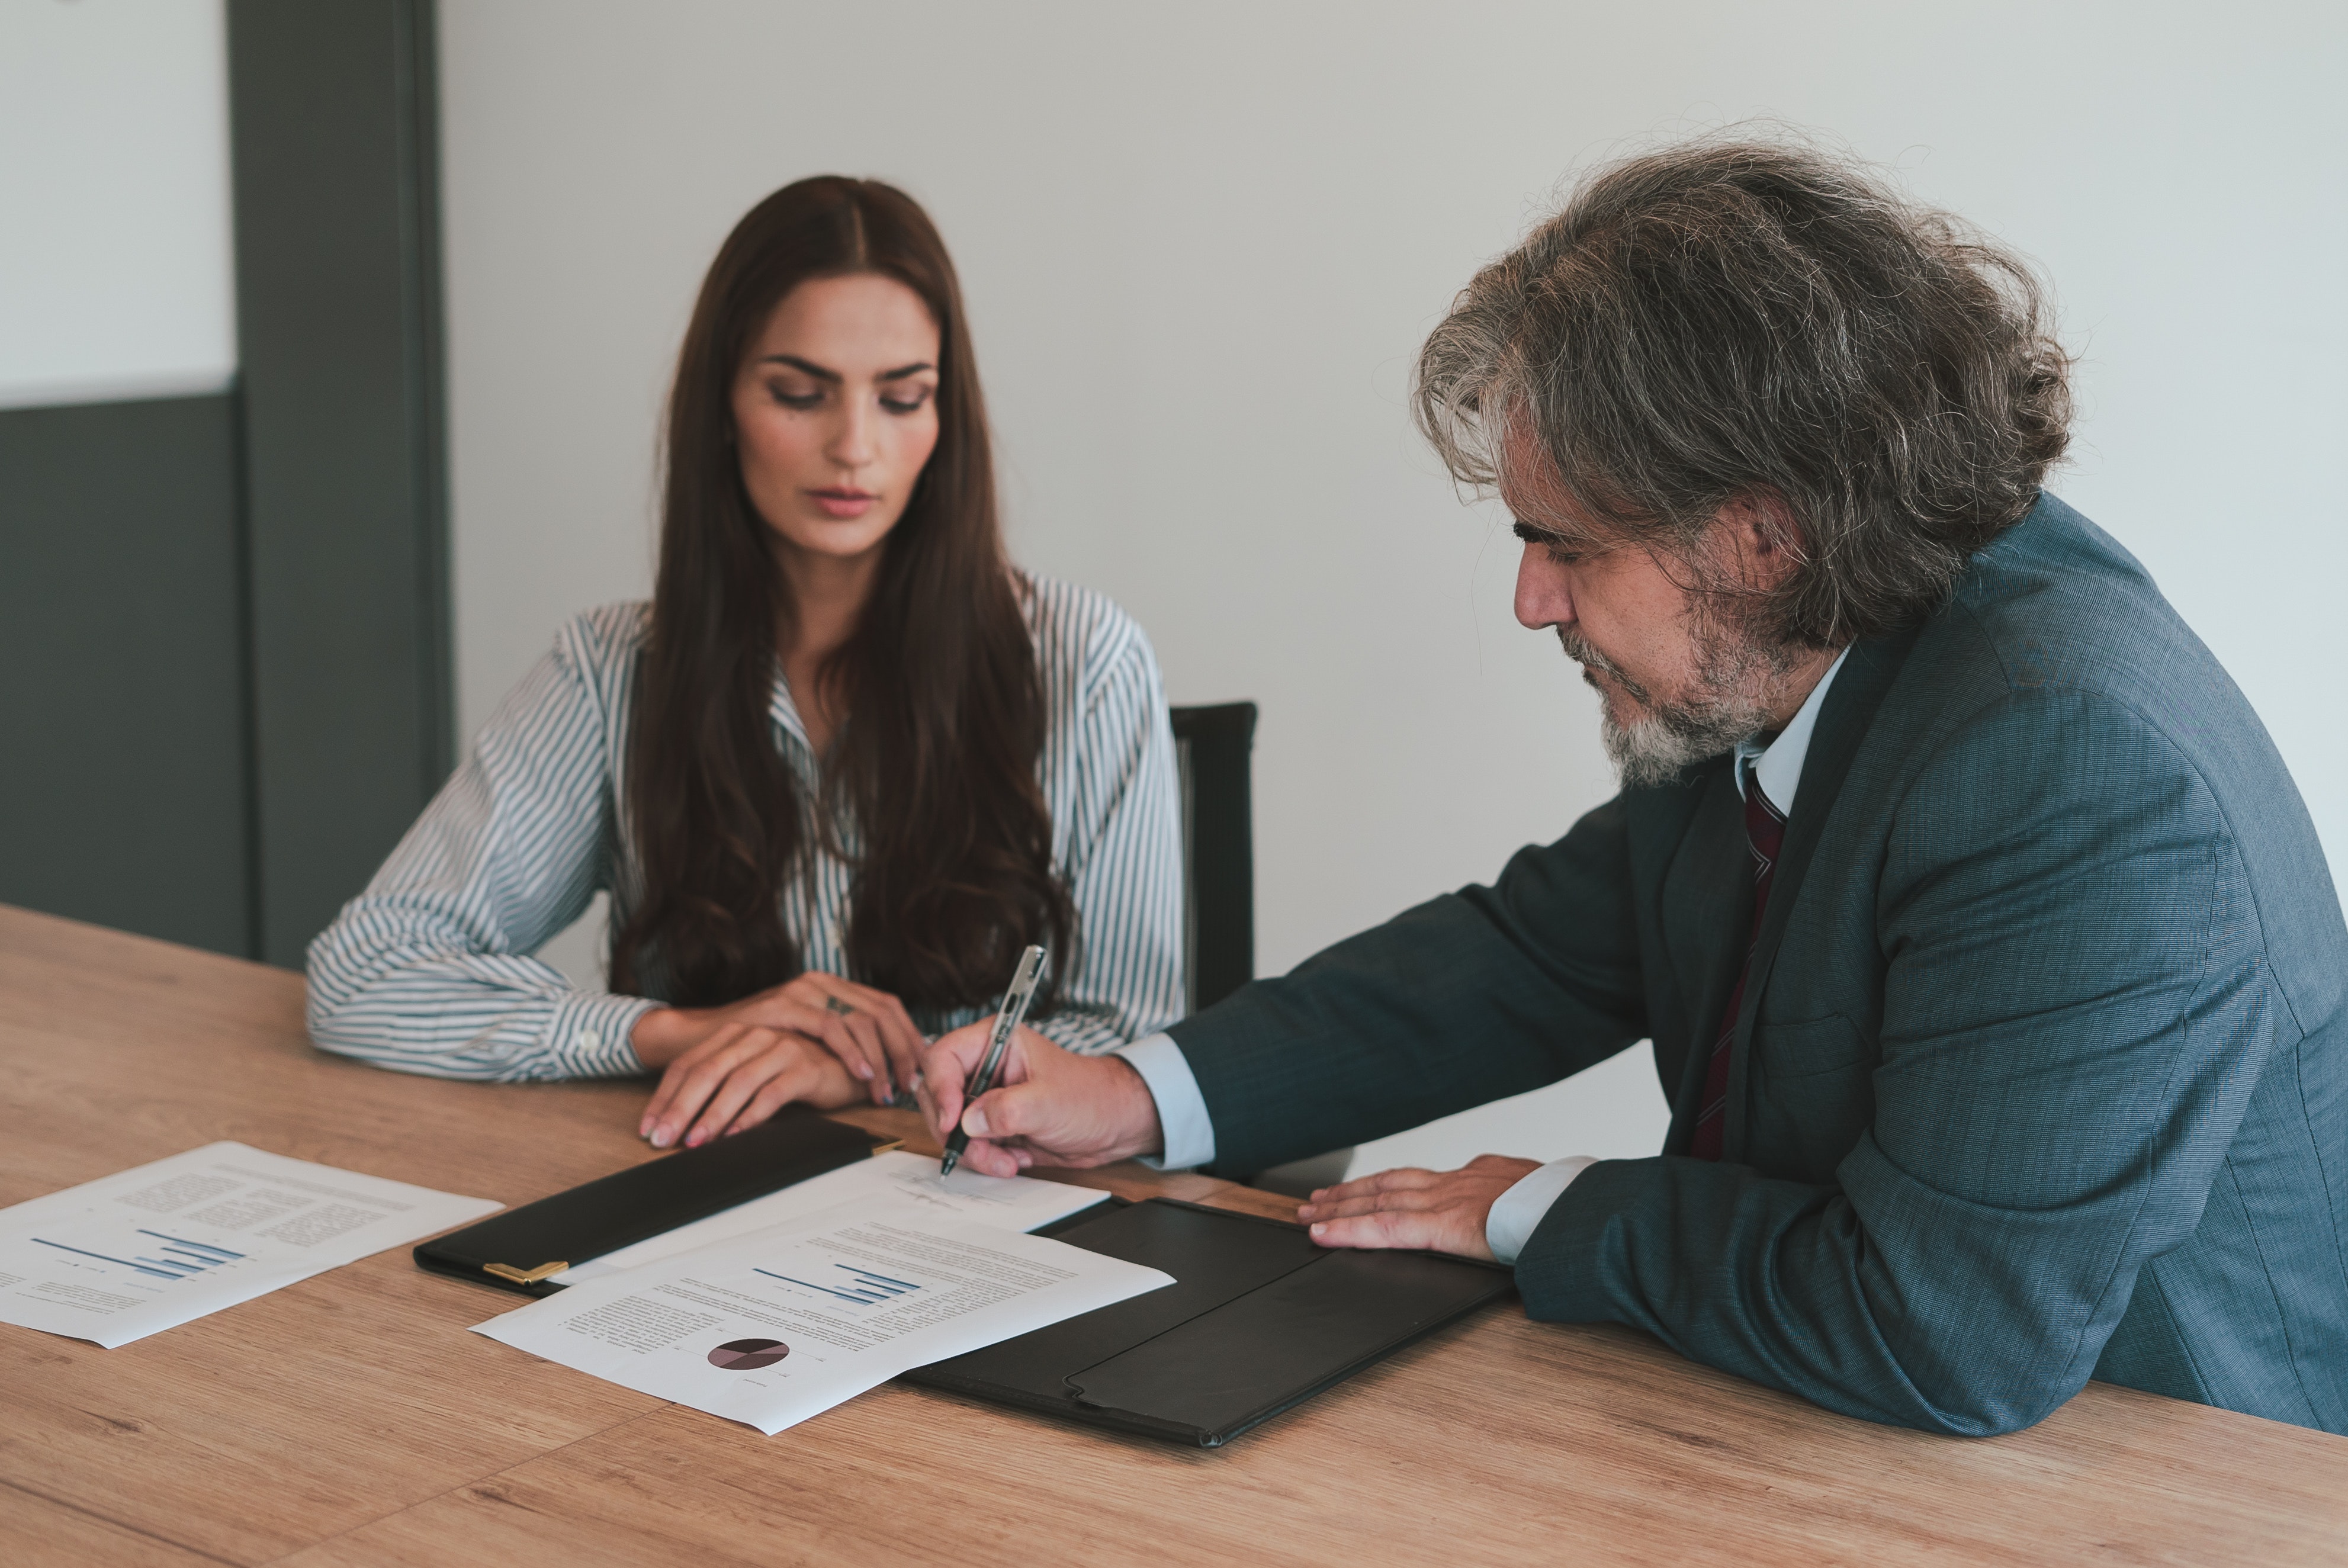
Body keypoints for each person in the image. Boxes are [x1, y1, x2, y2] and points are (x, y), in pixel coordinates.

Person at [914, 139, 2348, 1438]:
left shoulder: (2076, 771)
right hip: (1844, 1430)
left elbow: (1944, 1331)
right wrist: (1134, 1090)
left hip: (2164, 1471)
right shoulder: (1804, 632)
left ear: (1763, 536)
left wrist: (1535, 1206)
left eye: (1565, 544)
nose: (1530, 599)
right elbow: (1539, 949)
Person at [309, 177, 1184, 1151]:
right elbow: (365, 973)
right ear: (722, 404)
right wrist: (683, 1031)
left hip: (981, 1208)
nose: (855, 446)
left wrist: (857, 1074)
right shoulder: (610, 671)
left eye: (902, 398)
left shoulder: (1083, 661)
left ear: (946, 423)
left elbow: (1127, 1047)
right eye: (800, 395)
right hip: (698, 1193)